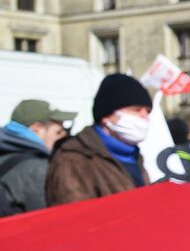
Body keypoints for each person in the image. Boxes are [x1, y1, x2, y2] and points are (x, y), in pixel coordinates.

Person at [47, 74, 153, 206]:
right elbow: (75, 218)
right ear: (107, 116)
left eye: (147, 111)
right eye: (136, 110)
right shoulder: (74, 158)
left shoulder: (133, 156)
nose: (145, 116)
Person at [0, 99, 75, 216]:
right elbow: (48, 222)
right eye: (59, 132)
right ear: (37, 129)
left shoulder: (5, 153)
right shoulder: (36, 169)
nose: (64, 136)